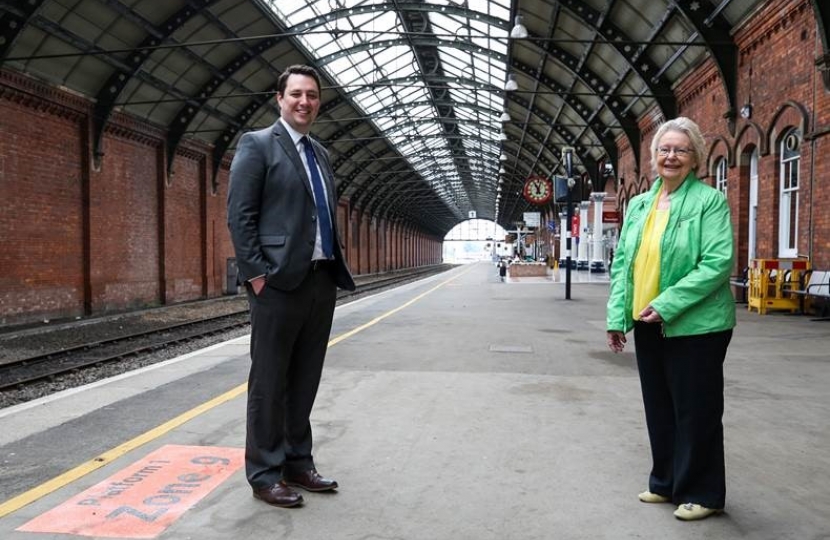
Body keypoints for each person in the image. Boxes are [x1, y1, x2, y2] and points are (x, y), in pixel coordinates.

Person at [227, 64, 355, 508]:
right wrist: (258, 275)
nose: (305, 102)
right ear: (279, 98)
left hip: (320, 280)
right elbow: (240, 216)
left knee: (304, 378)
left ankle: (298, 463)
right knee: (268, 381)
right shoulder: (258, 144)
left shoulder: (320, 153)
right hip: (278, 283)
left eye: (313, 95)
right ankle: (264, 472)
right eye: (296, 94)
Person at [605, 117, 735, 521]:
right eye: (664, 149)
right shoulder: (640, 204)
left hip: (698, 326)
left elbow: (717, 263)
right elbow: (624, 263)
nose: (671, 156)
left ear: (695, 157)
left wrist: (668, 304)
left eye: (680, 149)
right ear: (653, 157)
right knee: (658, 406)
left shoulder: (709, 201)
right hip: (647, 322)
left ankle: (703, 492)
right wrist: (617, 316)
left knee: (696, 410)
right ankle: (665, 481)